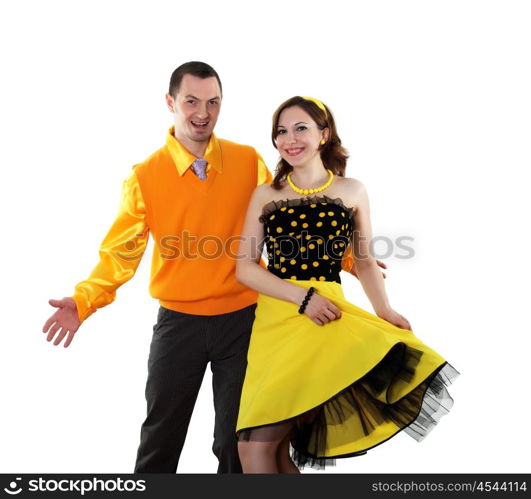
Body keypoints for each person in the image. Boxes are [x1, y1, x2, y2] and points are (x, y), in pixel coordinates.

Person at [40, 63, 381, 473]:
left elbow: (287, 219)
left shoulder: (246, 160)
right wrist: (83, 300)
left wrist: (347, 258)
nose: (202, 112)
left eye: (213, 102)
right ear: (171, 103)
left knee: (235, 443)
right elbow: (120, 252)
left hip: (246, 321)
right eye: (191, 101)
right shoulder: (145, 176)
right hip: (178, 324)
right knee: (161, 436)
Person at [235, 96, 460, 473]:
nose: (290, 138)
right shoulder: (266, 194)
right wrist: (302, 297)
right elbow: (244, 267)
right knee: (263, 448)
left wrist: (384, 310)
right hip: (277, 321)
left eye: (301, 128)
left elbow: (365, 260)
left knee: (257, 447)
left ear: (324, 134)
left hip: (325, 320)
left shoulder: (352, 190)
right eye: (281, 131)